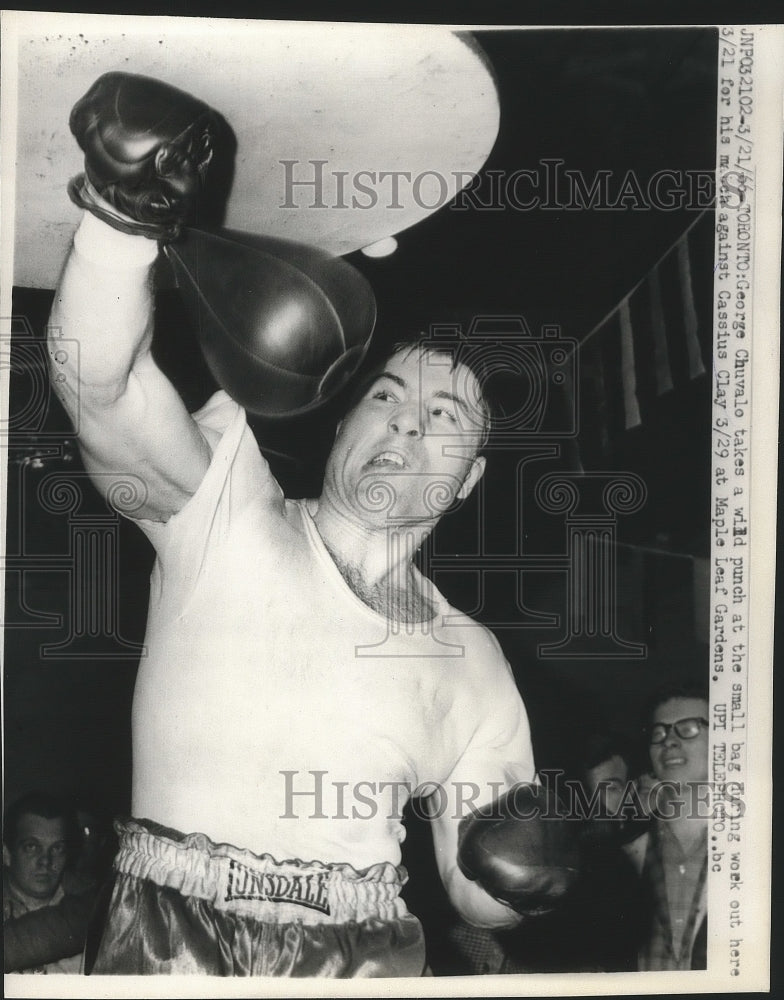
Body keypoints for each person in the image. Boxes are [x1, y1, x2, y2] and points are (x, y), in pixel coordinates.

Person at [45, 72, 579, 977]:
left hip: (361, 958)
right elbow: (103, 390)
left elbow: (472, 890)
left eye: (446, 417)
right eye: (386, 395)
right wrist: (119, 222)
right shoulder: (227, 509)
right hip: (167, 942)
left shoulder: (474, 660)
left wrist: (525, 875)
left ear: (467, 482)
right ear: (342, 422)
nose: (408, 423)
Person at [623, 680, 710, 970]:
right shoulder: (623, 858)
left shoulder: (754, 851)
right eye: (658, 733)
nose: (668, 741)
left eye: (689, 728)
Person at [3, 792, 96, 973]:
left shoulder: (93, 902)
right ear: (6, 854)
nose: (45, 861)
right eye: (31, 847)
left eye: (57, 848)